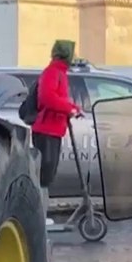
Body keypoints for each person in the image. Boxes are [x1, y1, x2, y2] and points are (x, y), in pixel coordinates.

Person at [31, 39, 83, 190]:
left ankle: (42, 208)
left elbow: (59, 98)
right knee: (44, 176)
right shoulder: (52, 72)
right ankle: (39, 210)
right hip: (46, 131)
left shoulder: (60, 73)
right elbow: (48, 98)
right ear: (66, 55)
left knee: (48, 174)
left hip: (53, 131)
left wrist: (75, 109)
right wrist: (68, 109)